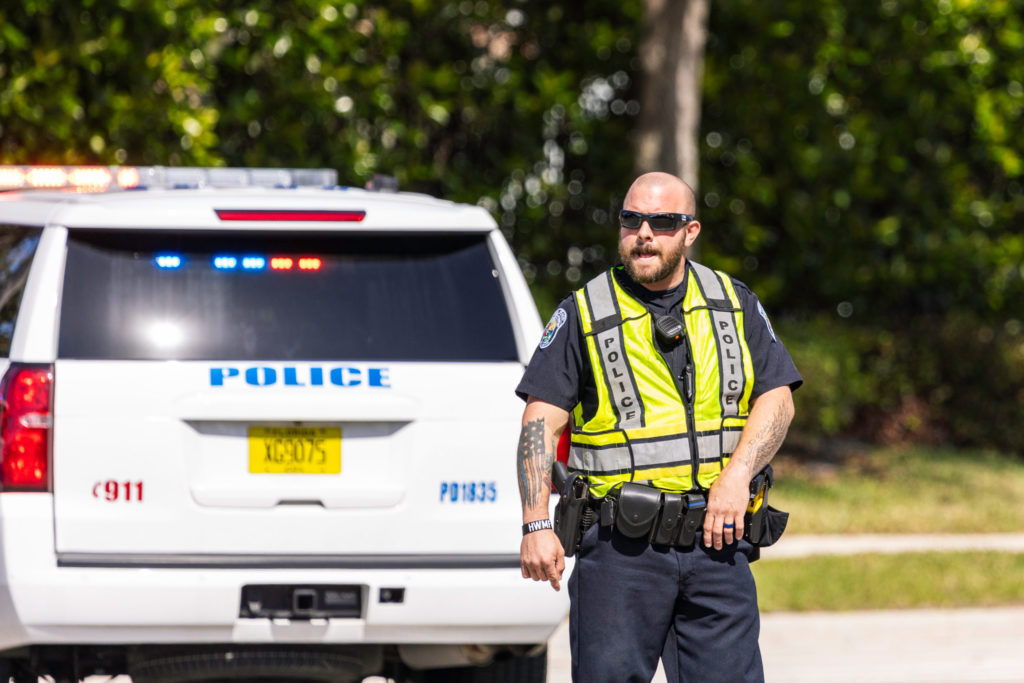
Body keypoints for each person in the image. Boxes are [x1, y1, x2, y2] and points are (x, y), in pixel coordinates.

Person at [515, 171, 801, 682]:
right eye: (631, 220)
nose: (644, 233)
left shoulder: (732, 302)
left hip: (718, 542)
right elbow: (540, 421)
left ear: (689, 232)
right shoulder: (583, 313)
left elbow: (777, 399)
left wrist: (737, 478)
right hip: (620, 552)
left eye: (662, 222)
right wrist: (536, 522)